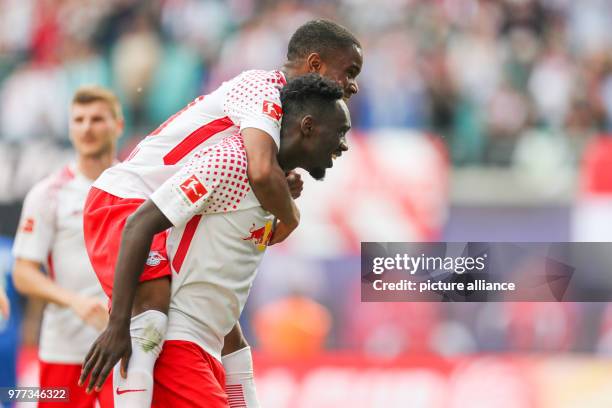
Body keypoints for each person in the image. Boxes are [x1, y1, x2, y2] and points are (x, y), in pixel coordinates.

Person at [79, 19, 362, 408]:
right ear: (314, 64)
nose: (354, 84)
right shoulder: (263, 92)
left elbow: (266, 171)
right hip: (126, 196)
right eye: (349, 71)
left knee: (221, 317)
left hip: (165, 225)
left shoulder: (269, 144)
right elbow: (260, 171)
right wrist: (291, 216)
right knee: (152, 305)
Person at [12, 86, 124, 408]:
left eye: (97, 119)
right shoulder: (47, 193)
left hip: (121, 348)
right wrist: (74, 301)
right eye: (78, 120)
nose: (87, 127)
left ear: (118, 125)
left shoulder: (136, 188)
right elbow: (23, 273)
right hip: (64, 349)